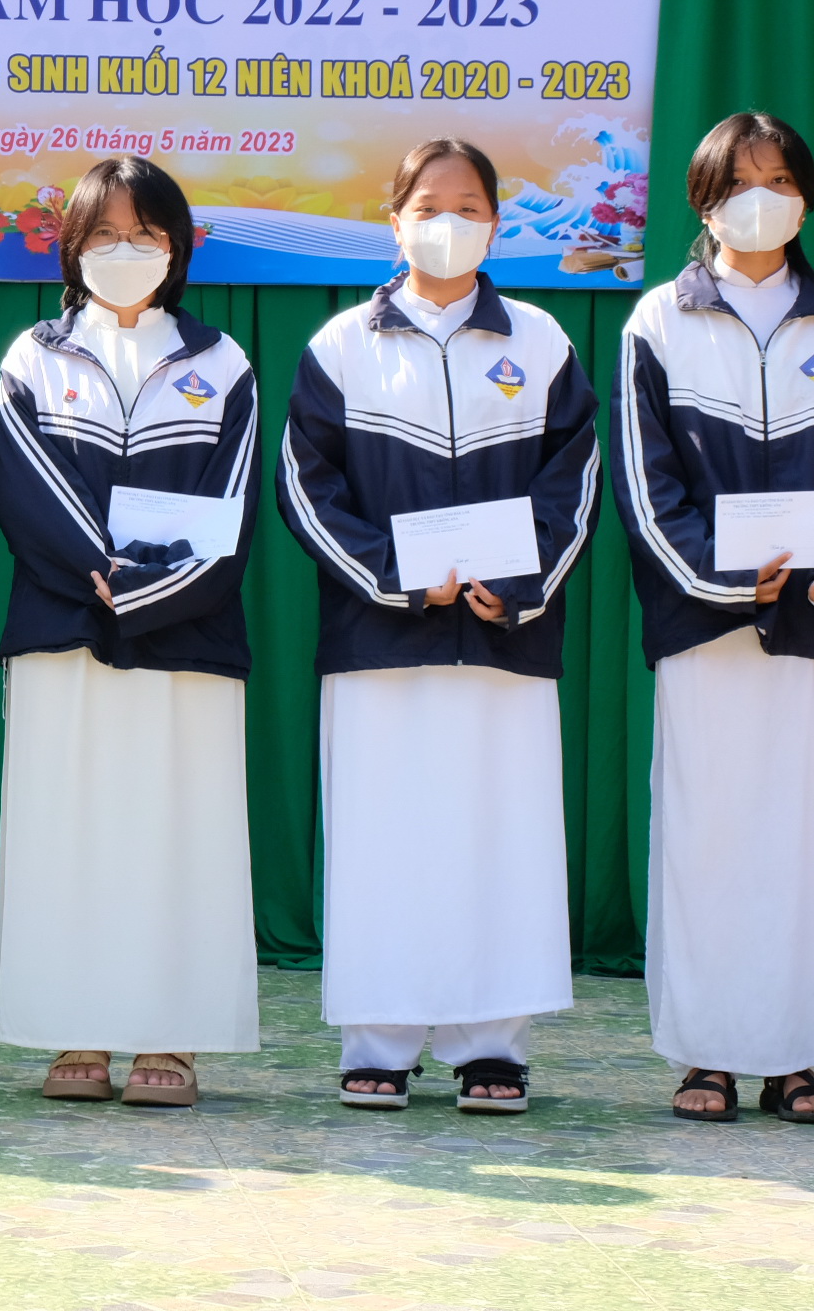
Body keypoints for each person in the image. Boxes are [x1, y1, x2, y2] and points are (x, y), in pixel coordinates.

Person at [276, 138, 600, 1113]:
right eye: (426, 206)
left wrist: (519, 584)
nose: (446, 223)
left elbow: (574, 480)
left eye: (467, 206)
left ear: (496, 222)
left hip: (504, 639)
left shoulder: (541, 342)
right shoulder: (341, 345)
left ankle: (490, 1044)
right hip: (377, 642)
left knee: (499, 840)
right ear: (394, 221)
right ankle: (376, 1040)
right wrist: (396, 580)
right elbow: (307, 489)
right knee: (382, 841)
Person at [616, 111, 814, 1126]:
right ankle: (705, 1055)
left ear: (806, 198)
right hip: (706, 629)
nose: (763, 198)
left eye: (781, 180)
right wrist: (723, 580)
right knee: (708, 838)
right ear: (703, 200)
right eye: (741, 181)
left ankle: (798, 1058)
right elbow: (646, 486)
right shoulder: (657, 321)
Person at [0, 157, 261, 1108]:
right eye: (103, 234)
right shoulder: (33, 356)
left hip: (189, 638)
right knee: (70, 834)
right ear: (71, 248)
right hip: (61, 630)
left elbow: (229, 512)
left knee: (179, 836)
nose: (124, 251)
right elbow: (23, 491)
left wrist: (147, 592)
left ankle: (171, 1037)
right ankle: (77, 1030)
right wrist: (104, 577)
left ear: (177, 248)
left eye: (145, 234)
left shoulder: (222, 363)